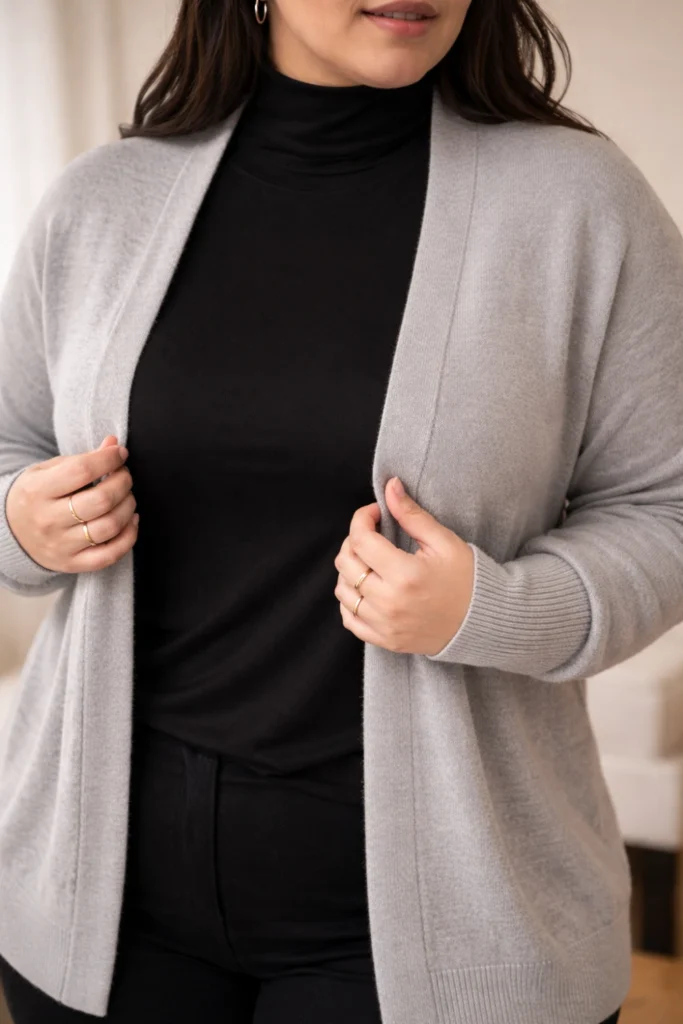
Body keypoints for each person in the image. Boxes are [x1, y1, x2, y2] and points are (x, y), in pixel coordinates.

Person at [1, 0, 682, 1020]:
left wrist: (491, 606)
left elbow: (665, 505)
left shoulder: (580, 204)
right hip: (102, 913)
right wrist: (22, 523)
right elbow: (9, 446)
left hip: (448, 928)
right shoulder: (99, 202)